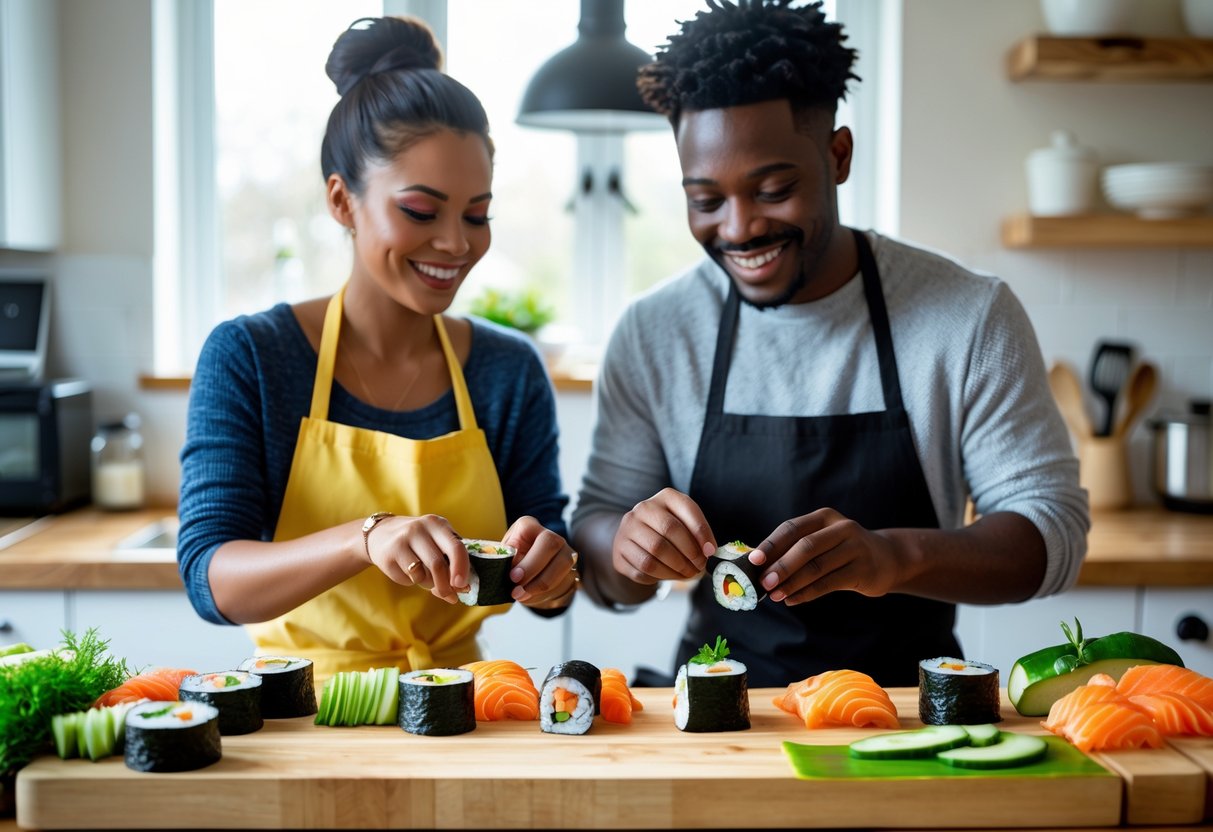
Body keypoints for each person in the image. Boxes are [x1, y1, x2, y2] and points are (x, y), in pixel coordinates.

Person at [570, 0, 1089, 688]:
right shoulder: (656, 331)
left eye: (774, 188)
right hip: (719, 713)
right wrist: (626, 549)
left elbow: (1049, 537)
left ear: (837, 156)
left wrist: (891, 557)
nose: (740, 227)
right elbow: (599, 543)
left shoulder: (966, 315)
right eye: (705, 200)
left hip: (911, 711)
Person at [178, 16, 577, 681]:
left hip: (463, 703)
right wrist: (366, 537)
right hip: (302, 707)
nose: (456, 243)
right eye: (421, 211)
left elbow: (549, 580)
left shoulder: (507, 371)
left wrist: (555, 570)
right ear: (341, 200)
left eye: (476, 215)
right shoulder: (251, 355)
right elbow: (210, 581)